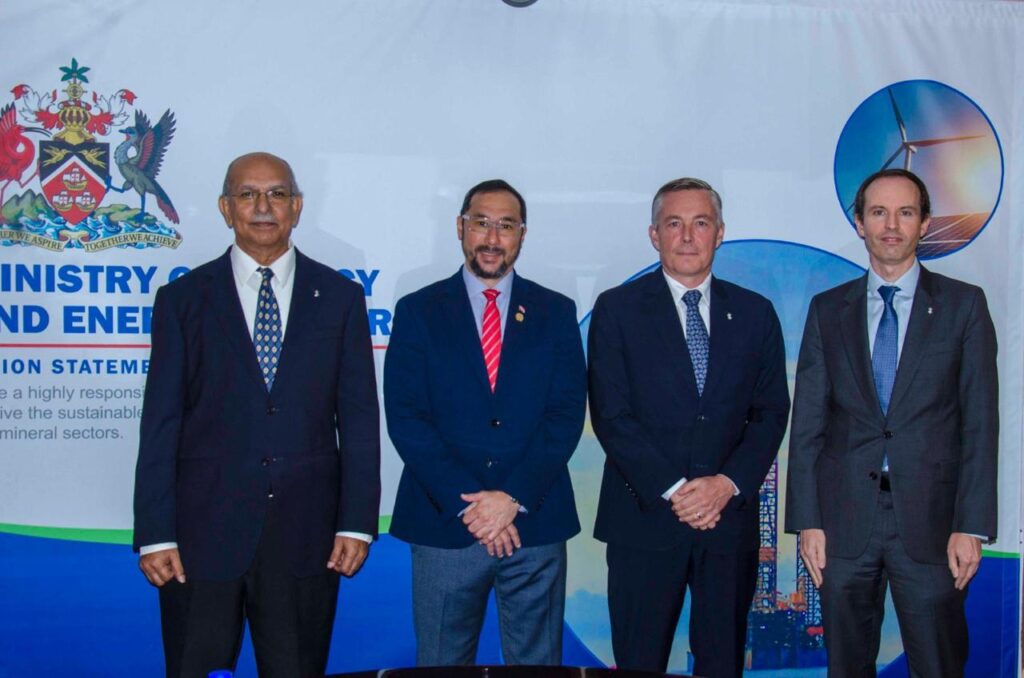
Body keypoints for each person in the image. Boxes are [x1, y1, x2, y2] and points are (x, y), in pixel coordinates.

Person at [132, 152, 381, 677]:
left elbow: (358, 422)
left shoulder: (339, 298)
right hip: (199, 543)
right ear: (226, 208)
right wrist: (155, 533)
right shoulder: (182, 300)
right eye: (247, 194)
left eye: (276, 194)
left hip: (306, 541)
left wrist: (356, 524)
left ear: (296, 206)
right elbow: (161, 424)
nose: (262, 207)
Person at [785, 168, 997, 677]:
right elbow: (809, 423)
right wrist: (807, 521)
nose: (891, 226)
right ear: (859, 223)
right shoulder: (827, 310)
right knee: (847, 668)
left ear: (923, 223)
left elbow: (980, 424)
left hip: (932, 527)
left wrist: (971, 525)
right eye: (878, 212)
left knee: (938, 666)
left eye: (905, 212)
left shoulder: (964, 307)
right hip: (843, 527)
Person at [588, 177, 790, 676]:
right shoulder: (617, 309)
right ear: (654, 235)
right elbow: (612, 415)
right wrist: (678, 491)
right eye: (673, 223)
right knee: (639, 663)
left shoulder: (756, 313)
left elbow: (770, 413)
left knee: (723, 663)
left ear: (719, 233)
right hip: (643, 520)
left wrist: (724, 486)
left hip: (728, 525)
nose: (686, 236)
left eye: (700, 223)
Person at [384, 179, 586, 666]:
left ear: (522, 234)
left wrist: (511, 498)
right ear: (460, 227)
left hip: (532, 522)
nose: (492, 238)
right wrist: (474, 506)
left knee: (538, 667)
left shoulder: (556, 311)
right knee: (440, 665)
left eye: (506, 226)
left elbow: (565, 414)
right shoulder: (418, 309)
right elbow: (406, 416)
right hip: (445, 523)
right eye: (481, 223)